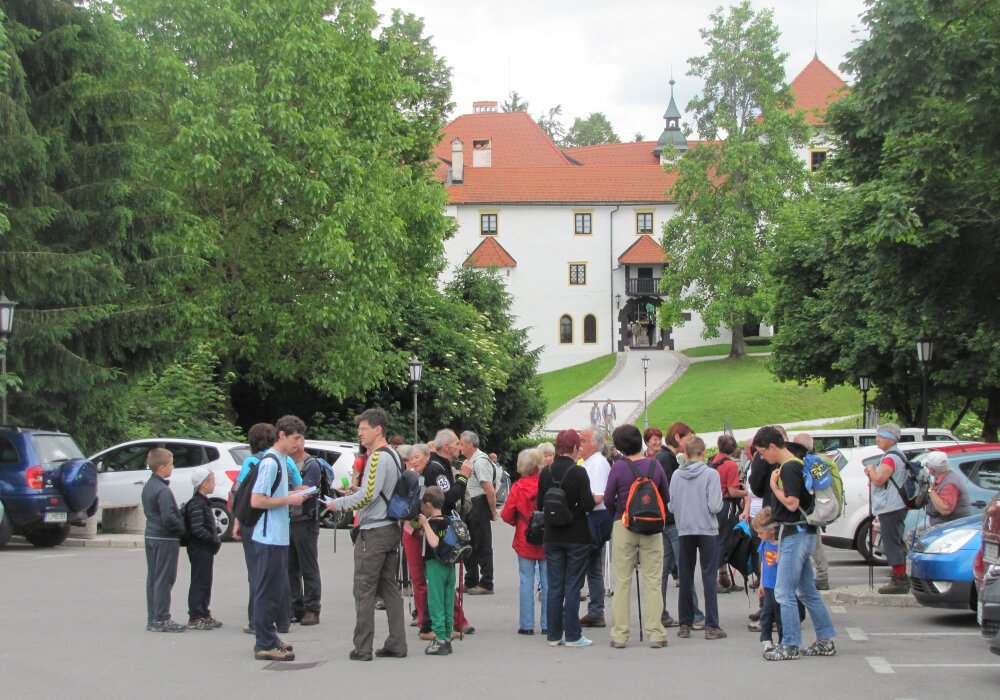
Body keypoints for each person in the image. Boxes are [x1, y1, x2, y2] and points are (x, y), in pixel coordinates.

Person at [325, 407, 407, 661]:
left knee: (364, 588)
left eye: (363, 429)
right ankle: (397, 642)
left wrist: (338, 503)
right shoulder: (394, 455)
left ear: (377, 429)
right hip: (392, 527)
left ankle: (362, 647)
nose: (359, 433)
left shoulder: (376, 457)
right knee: (389, 587)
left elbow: (369, 494)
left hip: (374, 530)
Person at [753, 426, 836, 661]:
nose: (762, 457)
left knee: (783, 591)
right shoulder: (798, 463)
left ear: (772, 447)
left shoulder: (788, 467)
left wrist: (773, 488)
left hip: (795, 533)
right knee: (807, 591)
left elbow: (791, 503)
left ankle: (790, 643)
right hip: (806, 532)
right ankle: (824, 640)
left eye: (762, 452)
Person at [604, 424, 670, 649]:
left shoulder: (618, 467)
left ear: (620, 446)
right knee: (653, 579)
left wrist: (618, 511)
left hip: (624, 524)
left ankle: (620, 634)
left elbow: (607, 498)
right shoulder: (655, 464)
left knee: (622, 581)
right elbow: (665, 496)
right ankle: (655, 632)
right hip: (652, 526)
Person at [250, 415, 308, 662]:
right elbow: (257, 499)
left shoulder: (282, 460)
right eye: (295, 438)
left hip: (278, 535)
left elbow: (273, 494)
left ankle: (270, 637)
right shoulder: (270, 462)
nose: (298, 443)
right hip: (268, 536)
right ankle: (264, 642)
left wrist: (295, 492)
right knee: (267, 591)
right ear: (281, 435)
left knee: (276, 590)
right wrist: (289, 499)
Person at [537, 429, 596, 647]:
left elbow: (539, 506)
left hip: (552, 535)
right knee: (572, 585)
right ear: (573, 448)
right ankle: (572, 634)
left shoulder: (546, 472)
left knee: (554, 585)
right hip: (576, 535)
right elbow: (588, 504)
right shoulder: (578, 472)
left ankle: (553, 634)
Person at [669, 437, 726, 640]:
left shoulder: (676, 475)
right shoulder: (711, 474)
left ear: (686, 454)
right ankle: (712, 625)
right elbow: (715, 506)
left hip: (684, 528)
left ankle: (685, 623)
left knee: (685, 576)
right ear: (702, 453)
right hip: (707, 528)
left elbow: (672, 505)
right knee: (709, 576)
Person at [655, 421, 704, 629]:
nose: (689, 442)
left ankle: (660, 612)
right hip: (673, 520)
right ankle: (694, 614)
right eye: (688, 438)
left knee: (664, 569)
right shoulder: (668, 460)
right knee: (684, 567)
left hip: (664, 520)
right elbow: (670, 492)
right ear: (678, 438)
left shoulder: (662, 458)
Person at [427, 429, 475, 637]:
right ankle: (439, 628)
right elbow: (447, 498)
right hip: (439, 529)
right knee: (439, 582)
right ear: (446, 447)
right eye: (456, 443)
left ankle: (449, 624)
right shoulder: (436, 468)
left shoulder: (444, 466)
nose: (459, 447)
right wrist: (463, 478)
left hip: (444, 526)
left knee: (447, 580)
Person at [501, 448, 548, 635]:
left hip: (525, 536)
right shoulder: (547, 484)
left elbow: (506, 514)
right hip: (546, 535)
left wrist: (519, 523)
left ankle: (527, 624)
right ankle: (547, 623)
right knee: (548, 581)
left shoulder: (518, 487)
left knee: (526, 580)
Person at [142, 447, 186, 633]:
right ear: (161, 467)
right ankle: (162, 618)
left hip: (151, 534)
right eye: (170, 464)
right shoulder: (163, 490)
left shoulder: (149, 486)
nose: (172, 467)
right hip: (164, 538)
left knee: (153, 577)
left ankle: (153, 617)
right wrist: (181, 527)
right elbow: (169, 518)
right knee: (164, 579)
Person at [865, 423, 910, 594]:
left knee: (891, 542)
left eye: (881, 436)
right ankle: (900, 577)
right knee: (896, 540)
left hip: (890, 505)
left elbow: (879, 480)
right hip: (897, 504)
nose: (877, 439)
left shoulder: (891, 457)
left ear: (891, 439)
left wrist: (870, 470)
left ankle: (899, 580)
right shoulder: (898, 455)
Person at [288, 436, 323, 625]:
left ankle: (312, 609)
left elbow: (305, 490)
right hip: (287, 520)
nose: (292, 444)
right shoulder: (283, 462)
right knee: (289, 566)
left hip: (305, 520)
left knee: (308, 565)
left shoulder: (311, 465)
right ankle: (295, 607)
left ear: (302, 441)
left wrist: (284, 494)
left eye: (296, 439)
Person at [417, 486, 456, 655]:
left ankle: (439, 638)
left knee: (436, 601)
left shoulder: (431, 522)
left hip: (435, 565)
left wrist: (424, 524)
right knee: (448, 600)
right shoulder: (448, 520)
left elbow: (434, 543)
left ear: (428, 504)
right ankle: (447, 636)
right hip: (450, 565)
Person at [579, 427, 611, 628]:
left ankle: (595, 610)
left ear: (594, 444)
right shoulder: (591, 462)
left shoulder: (598, 463)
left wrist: (575, 502)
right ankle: (595, 610)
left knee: (583, 565)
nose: (579, 444)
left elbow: (598, 496)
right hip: (593, 515)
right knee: (592, 567)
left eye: (583, 440)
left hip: (594, 516)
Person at [792, 433, 832, 591]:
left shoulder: (809, 462)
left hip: (810, 510)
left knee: (814, 544)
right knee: (813, 543)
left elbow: (810, 487)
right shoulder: (815, 461)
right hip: (813, 508)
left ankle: (822, 576)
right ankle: (819, 576)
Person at [459, 431, 497, 595]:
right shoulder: (470, 460)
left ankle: (486, 581)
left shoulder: (480, 462)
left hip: (478, 503)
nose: (459, 447)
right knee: (469, 542)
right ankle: (471, 579)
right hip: (470, 504)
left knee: (482, 543)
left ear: (470, 444)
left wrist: (492, 512)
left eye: (461, 444)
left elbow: (489, 490)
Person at [185, 466, 222, 630]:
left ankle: (204, 612)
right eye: (212, 481)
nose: (214, 484)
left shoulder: (204, 502)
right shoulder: (196, 504)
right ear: (204, 484)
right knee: (199, 581)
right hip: (199, 547)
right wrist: (213, 539)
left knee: (206, 581)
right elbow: (197, 528)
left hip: (205, 548)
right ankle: (195, 615)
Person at [710, 434, 745, 592]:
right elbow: (732, 491)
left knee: (717, 539)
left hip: (714, 503)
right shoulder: (730, 465)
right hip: (726, 505)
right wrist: (747, 493)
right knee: (724, 540)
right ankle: (717, 578)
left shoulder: (713, 461)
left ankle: (723, 576)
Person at [751, 507, 782, 652]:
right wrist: (762, 582)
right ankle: (766, 639)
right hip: (768, 585)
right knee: (766, 614)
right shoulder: (764, 544)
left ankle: (783, 641)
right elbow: (763, 562)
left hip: (780, 586)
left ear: (772, 530)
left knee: (781, 615)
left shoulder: (782, 546)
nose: (758, 535)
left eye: (760, 532)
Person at [924, 450, 972, 526]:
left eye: (927, 466)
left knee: (914, 535)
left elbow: (945, 510)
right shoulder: (942, 478)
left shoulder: (950, 483)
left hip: (952, 527)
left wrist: (930, 489)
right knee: (914, 533)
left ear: (931, 470)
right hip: (941, 523)